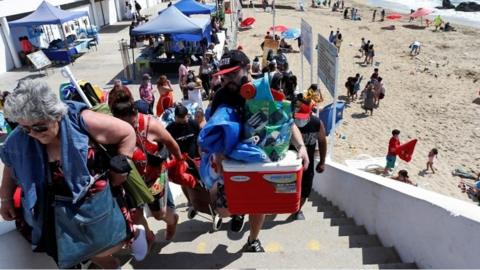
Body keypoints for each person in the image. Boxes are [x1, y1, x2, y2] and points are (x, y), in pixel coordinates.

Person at [0, 79, 140, 268]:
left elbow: (127, 133)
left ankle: (132, 241)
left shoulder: (81, 120)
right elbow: (10, 163)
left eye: (39, 127)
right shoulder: (18, 139)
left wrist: (120, 167)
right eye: (25, 128)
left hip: (94, 201)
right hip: (54, 209)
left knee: (109, 242)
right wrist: (6, 199)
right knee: (71, 250)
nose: (33, 134)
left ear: (55, 115)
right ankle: (110, 265)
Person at [208, 50, 309, 252]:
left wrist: (301, 147)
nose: (227, 79)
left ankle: (252, 240)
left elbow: (285, 122)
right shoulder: (221, 96)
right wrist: (217, 156)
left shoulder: (266, 90)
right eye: (224, 75)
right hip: (232, 163)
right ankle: (238, 212)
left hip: (262, 160)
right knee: (224, 209)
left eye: (232, 74)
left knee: (259, 205)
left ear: (247, 68)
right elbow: (214, 127)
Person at [110, 91, 182, 244]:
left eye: (133, 123)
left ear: (135, 113)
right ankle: (148, 237)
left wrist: (180, 162)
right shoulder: (113, 129)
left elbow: (172, 144)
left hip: (154, 176)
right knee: (136, 214)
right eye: (125, 126)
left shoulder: (151, 124)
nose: (131, 129)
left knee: (159, 214)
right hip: (131, 180)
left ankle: (172, 220)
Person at [292, 98, 327, 220]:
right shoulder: (289, 122)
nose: (300, 120)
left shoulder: (317, 123)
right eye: (298, 116)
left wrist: (322, 162)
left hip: (308, 164)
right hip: (290, 164)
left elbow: (322, 142)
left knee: (306, 189)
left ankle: (297, 210)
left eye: (303, 116)